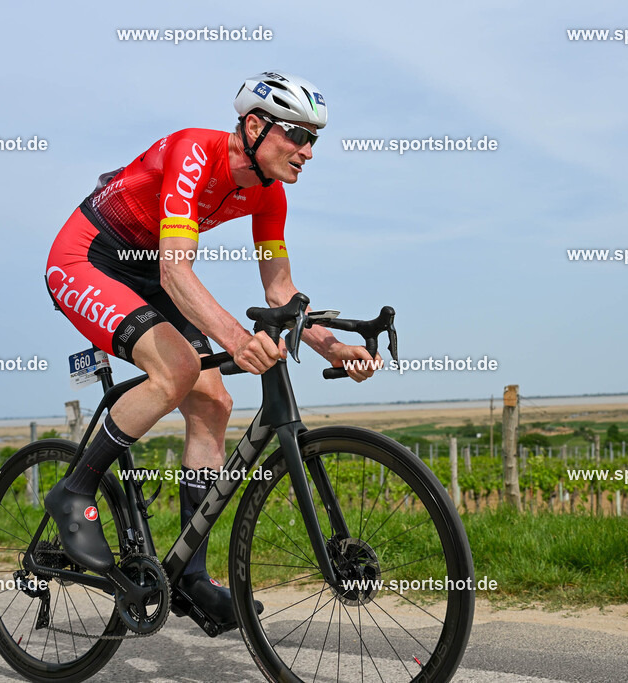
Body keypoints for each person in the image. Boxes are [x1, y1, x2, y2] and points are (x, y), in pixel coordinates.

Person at [42, 71, 377, 627]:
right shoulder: (193, 151)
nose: (308, 151)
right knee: (176, 369)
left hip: (150, 270)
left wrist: (331, 346)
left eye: (314, 138)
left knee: (213, 403)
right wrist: (239, 340)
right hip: (88, 257)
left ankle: (190, 577)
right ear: (253, 126)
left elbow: (280, 292)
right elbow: (177, 271)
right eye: (297, 135)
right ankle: (74, 490)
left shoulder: (270, 194)